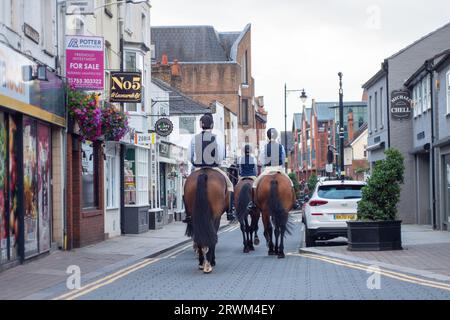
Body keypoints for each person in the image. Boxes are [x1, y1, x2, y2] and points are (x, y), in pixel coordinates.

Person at [188, 112, 234, 196]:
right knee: (230, 186)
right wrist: (217, 163)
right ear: (212, 125)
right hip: (214, 167)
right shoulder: (217, 138)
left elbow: (190, 156)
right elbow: (221, 156)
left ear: (201, 125)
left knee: (185, 188)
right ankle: (231, 209)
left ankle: (187, 209)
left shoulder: (194, 138)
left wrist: (194, 163)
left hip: (198, 168)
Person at [248, 128, 293, 209]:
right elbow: (283, 159)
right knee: (291, 183)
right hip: (279, 168)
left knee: (255, 184)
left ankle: (253, 203)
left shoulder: (264, 147)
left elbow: (261, 160)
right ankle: (294, 201)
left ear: (268, 136)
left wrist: (266, 163)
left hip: (268, 169)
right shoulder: (281, 147)